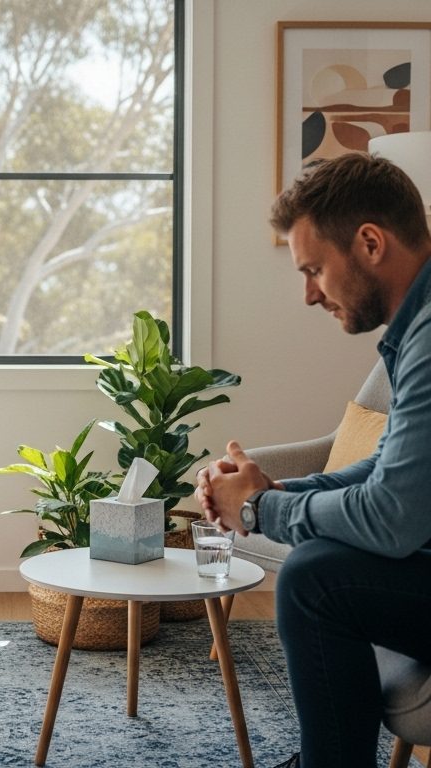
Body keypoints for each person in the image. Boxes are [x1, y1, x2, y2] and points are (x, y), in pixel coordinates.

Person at [195, 153, 431, 768]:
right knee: (320, 562)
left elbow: (393, 514)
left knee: (316, 579)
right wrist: (272, 490)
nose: (307, 295)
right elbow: (389, 468)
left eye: (314, 269)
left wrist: (262, 507)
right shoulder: (417, 328)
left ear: (371, 243)